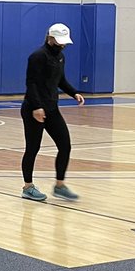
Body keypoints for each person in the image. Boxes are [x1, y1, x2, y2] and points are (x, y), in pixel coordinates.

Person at [20, 22, 85, 202]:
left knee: (65, 145)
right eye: (59, 41)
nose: (63, 45)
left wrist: (74, 93)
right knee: (33, 148)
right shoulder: (37, 56)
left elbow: (60, 80)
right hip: (34, 109)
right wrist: (36, 107)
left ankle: (59, 186)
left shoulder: (60, 57)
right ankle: (28, 187)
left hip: (51, 108)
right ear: (50, 38)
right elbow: (31, 83)